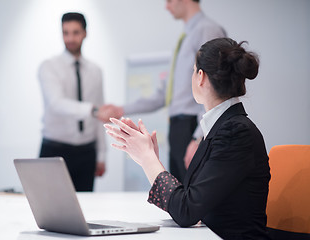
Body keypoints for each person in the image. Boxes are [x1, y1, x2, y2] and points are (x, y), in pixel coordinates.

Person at [105, 38, 271, 239]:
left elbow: (187, 211)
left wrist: (149, 160)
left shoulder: (235, 133)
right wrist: (149, 159)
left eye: (193, 71)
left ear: (200, 77)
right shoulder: (223, 127)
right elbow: (190, 201)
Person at [99, 0, 226, 183]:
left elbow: (216, 88)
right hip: (179, 129)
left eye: (169, 0)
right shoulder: (186, 37)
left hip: (192, 128)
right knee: (179, 197)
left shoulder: (207, 30)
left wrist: (200, 136)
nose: (166, 6)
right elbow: (164, 94)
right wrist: (121, 110)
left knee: (192, 198)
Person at [38, 12, 106, 192]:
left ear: (85, 33)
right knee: (49, 209)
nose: (70, 38)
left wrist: (102, 154)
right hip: (54, 150)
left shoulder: (95, 71)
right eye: (65, 32)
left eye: (75, 32)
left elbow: (100, 114)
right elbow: (56, 103)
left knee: (85, 211)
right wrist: (93, 110)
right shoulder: (49, 67)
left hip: (87, 153)